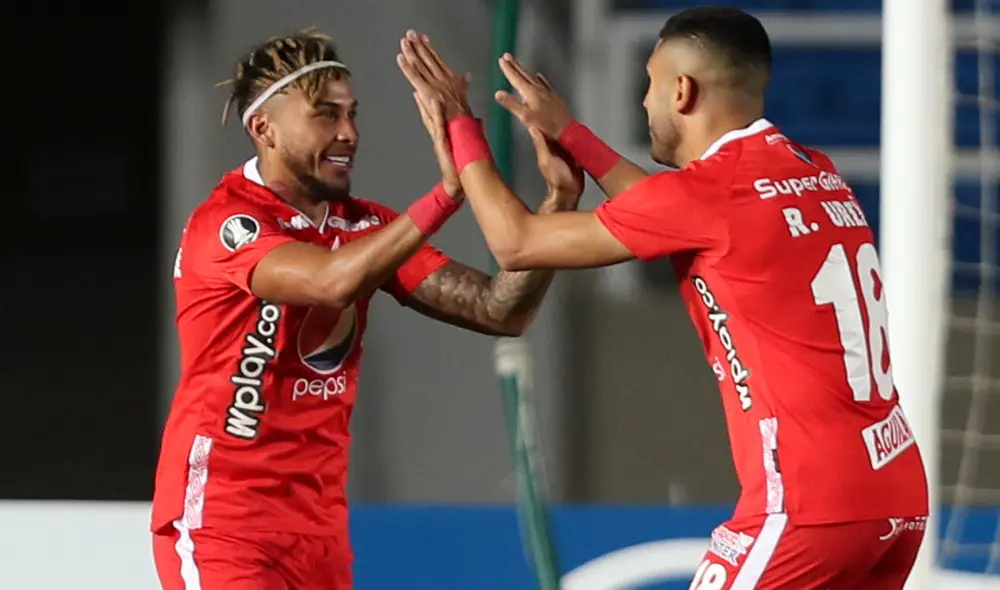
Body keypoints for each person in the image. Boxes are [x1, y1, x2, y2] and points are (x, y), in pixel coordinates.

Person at [396, 6, 928, 589]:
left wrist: (458, 124)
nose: (643, 102)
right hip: (893, 493)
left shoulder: (712, 193)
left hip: (805, 503)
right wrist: (573, 136)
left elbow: (516, 243)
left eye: (647, 84)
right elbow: (671, 210)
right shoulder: (811, 170)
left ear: (682, 90)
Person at [151, 29, 583, 590]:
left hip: (319, 532)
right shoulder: (229, 223)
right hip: (223, 525)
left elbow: (498, 310)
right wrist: (447, 192)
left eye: (352, 114)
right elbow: (332, 282)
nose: (349, 133)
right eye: (325, 116)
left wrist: (558, 203)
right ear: (264, 129)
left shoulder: (365, 225)